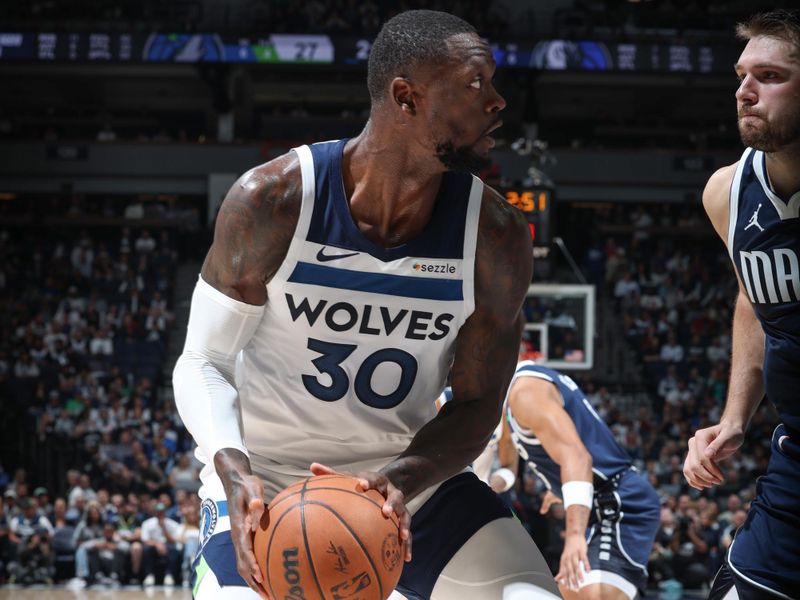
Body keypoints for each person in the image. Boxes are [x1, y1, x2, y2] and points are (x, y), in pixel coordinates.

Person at [173, 9, 560, 600]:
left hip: (411, 479)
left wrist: (397, 483)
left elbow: (479, 403)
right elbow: (203, 361)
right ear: (406, 95)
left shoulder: (496, 237)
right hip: (268, 478)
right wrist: (232, 468)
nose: (498, 102)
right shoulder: (274, 201)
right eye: (476, 83)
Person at [682, 9, 800, 600]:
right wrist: (735, 417)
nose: (744, 92)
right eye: (740, 74)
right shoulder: (726, 190)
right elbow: (753, 300)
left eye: (770, 76)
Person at [498, 361, 660, 600]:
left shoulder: (526, 393)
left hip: (616, 500)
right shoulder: (509, 400)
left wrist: (574, 536)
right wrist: (558, 486)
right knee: (575, 591)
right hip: (598, 499)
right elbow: (508, 468)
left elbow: (578, 458)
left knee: (591, 594)